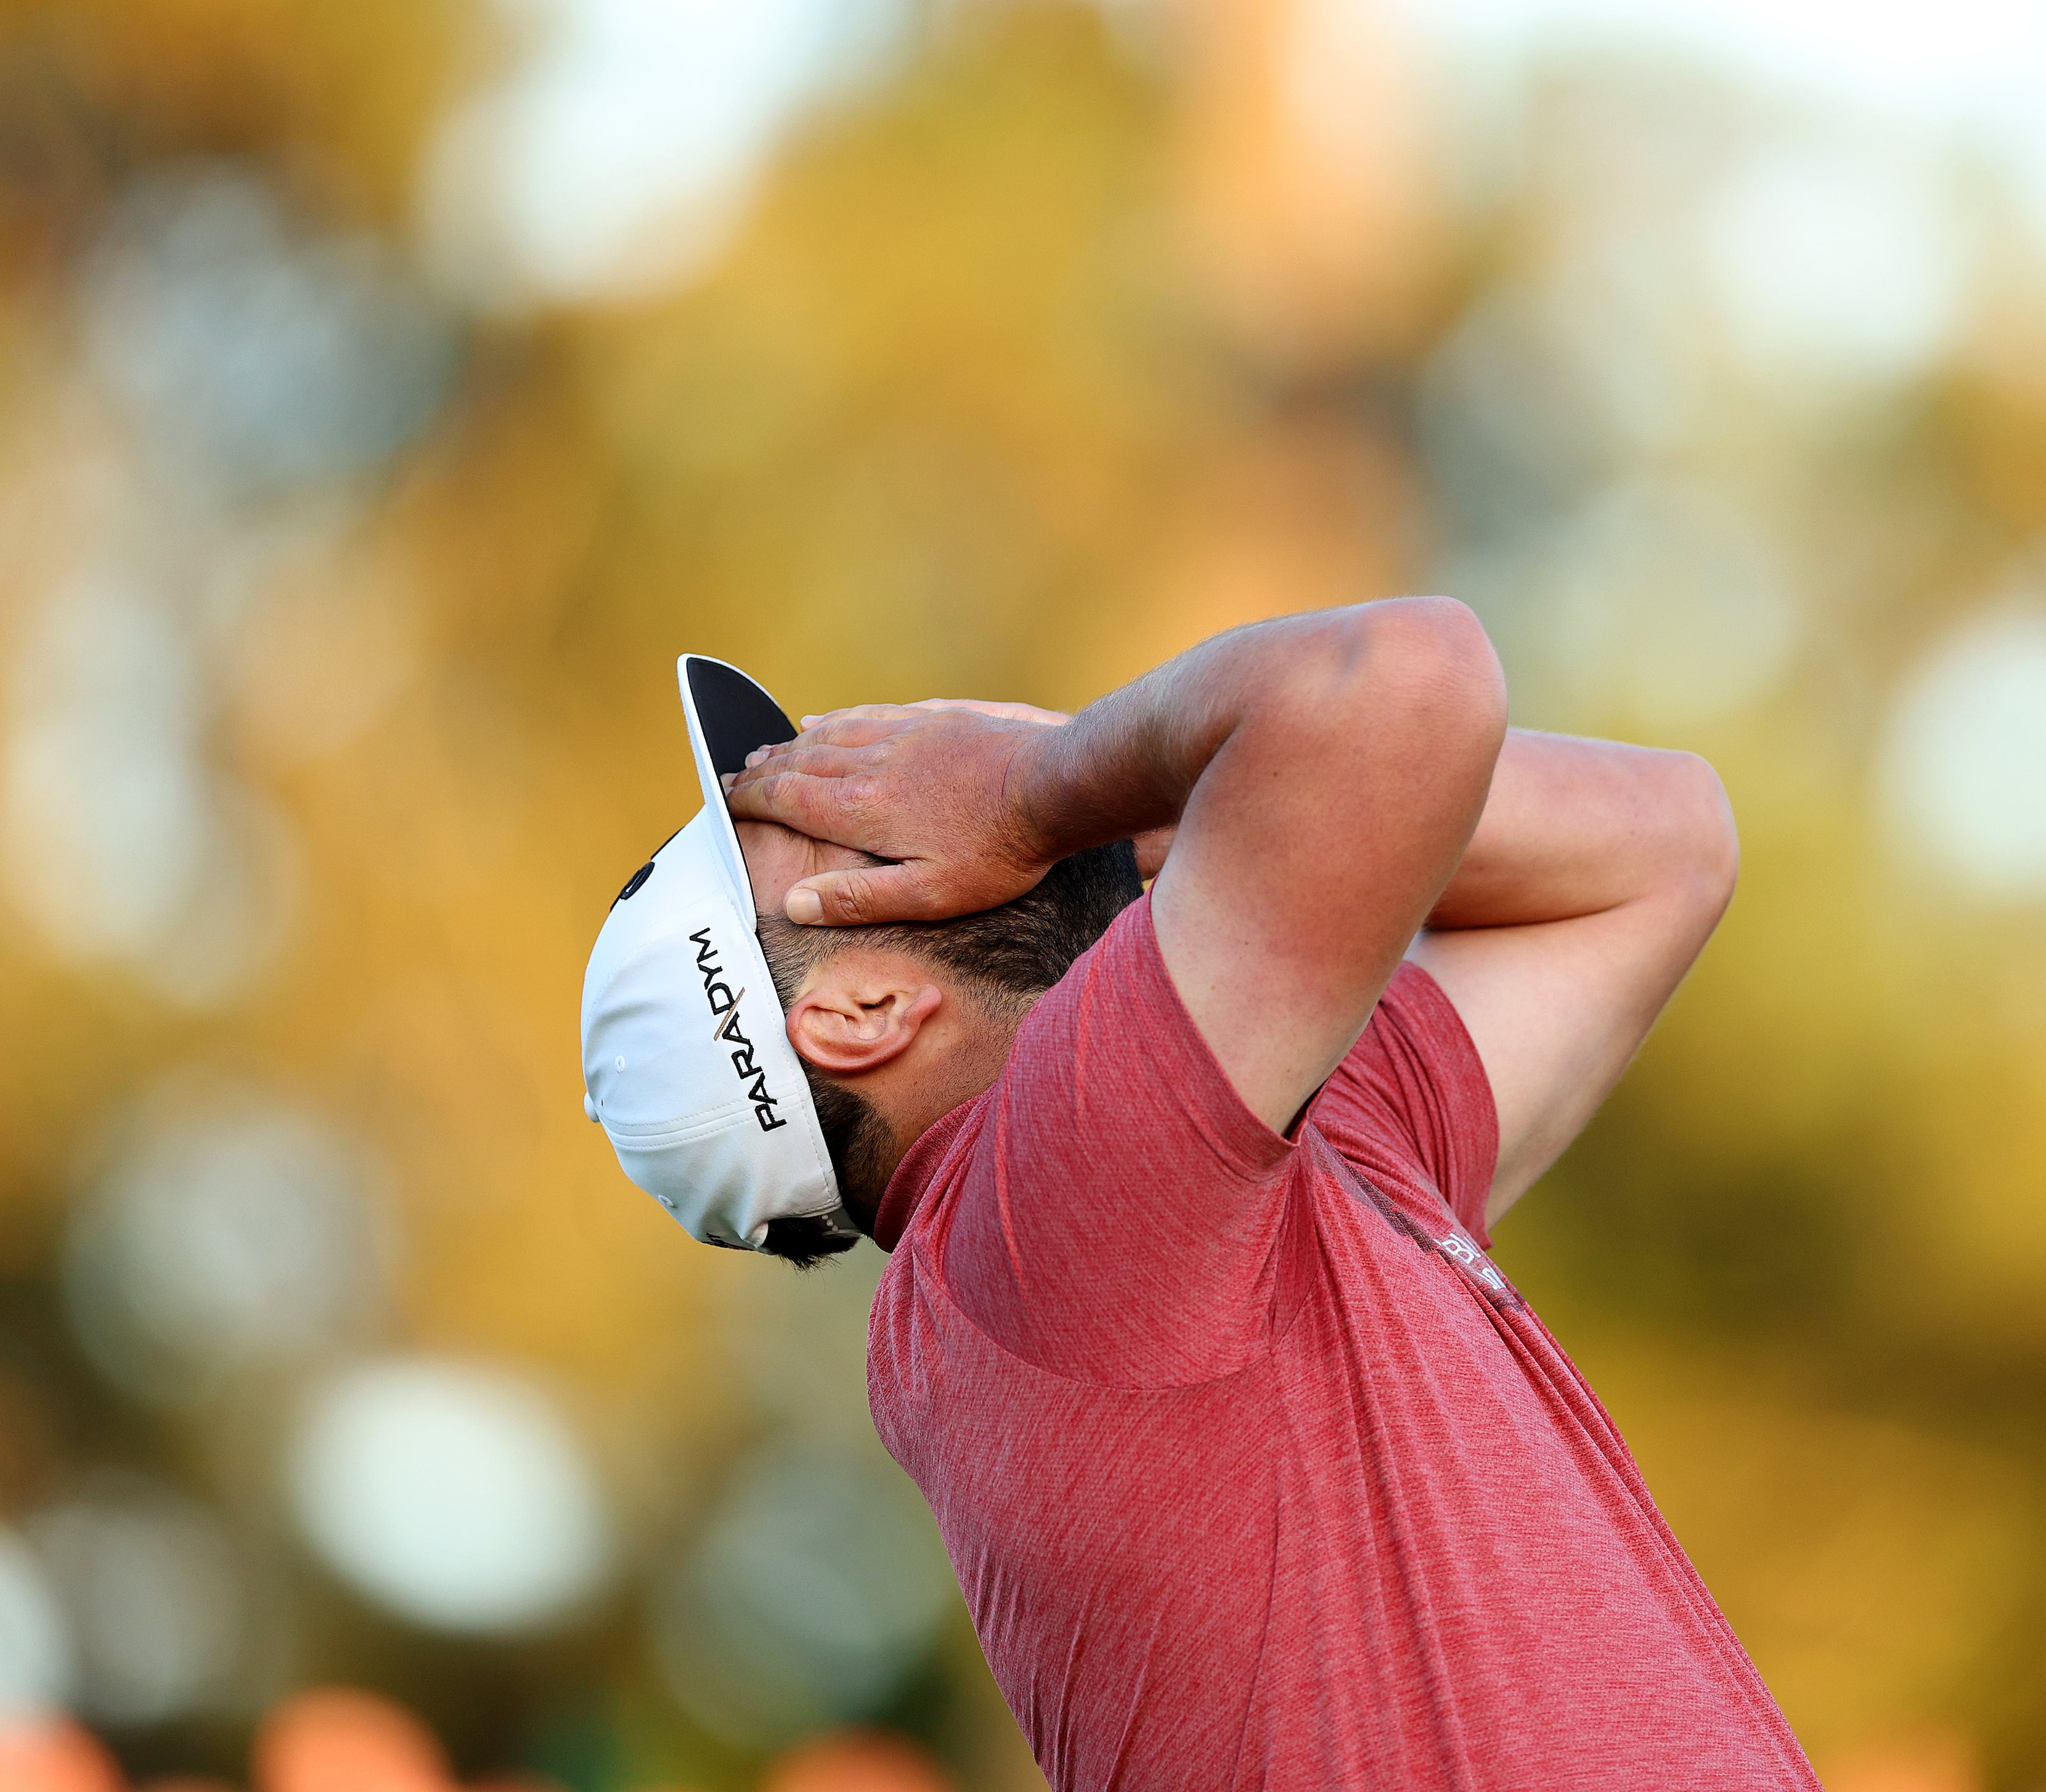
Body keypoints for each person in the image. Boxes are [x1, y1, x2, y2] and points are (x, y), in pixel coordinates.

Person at [618, 598, 1816, 1786]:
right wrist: (1038, 787)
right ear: (859, 1016)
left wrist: (1108, 824)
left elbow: (1663, 845)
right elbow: (1389, 678)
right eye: (841, 829)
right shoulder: (1047, 1207)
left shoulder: (1181, 1186)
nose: (892, 783)